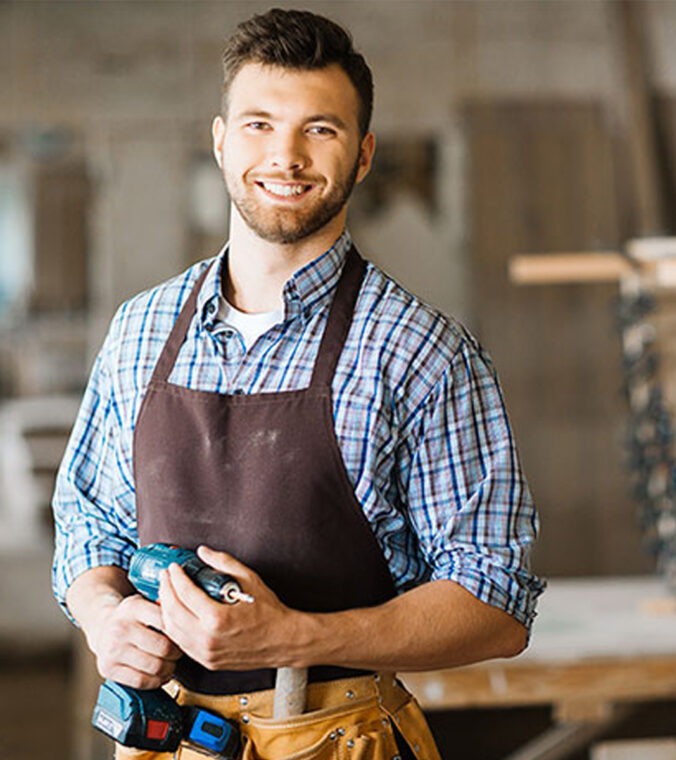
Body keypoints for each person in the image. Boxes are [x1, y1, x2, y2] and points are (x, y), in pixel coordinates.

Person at [52, 8, 545, 759]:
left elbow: (495, 600)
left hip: (338, 739)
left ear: (364, 152)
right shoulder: (140, 330)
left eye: (321, 129)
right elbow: (89, 521)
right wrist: (105, 619)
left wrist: (296, 637)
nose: (285, 155)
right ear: (220, 142)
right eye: (258, 124)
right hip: (170, 739)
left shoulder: (421, 353)